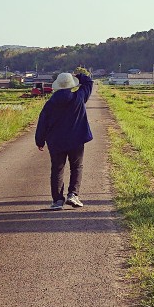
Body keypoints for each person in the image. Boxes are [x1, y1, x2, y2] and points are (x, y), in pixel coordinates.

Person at [35, 69, 94, 210]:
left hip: (56, 141)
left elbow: (42, 122)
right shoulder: (79, 97)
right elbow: (89, 82)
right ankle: (73, 195)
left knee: (57, 169)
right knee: (76, 167)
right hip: (76, 139)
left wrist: (40, 141)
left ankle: (57, 201)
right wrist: (78, 75)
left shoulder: (50, 103)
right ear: (71, 85)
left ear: (58, 86)